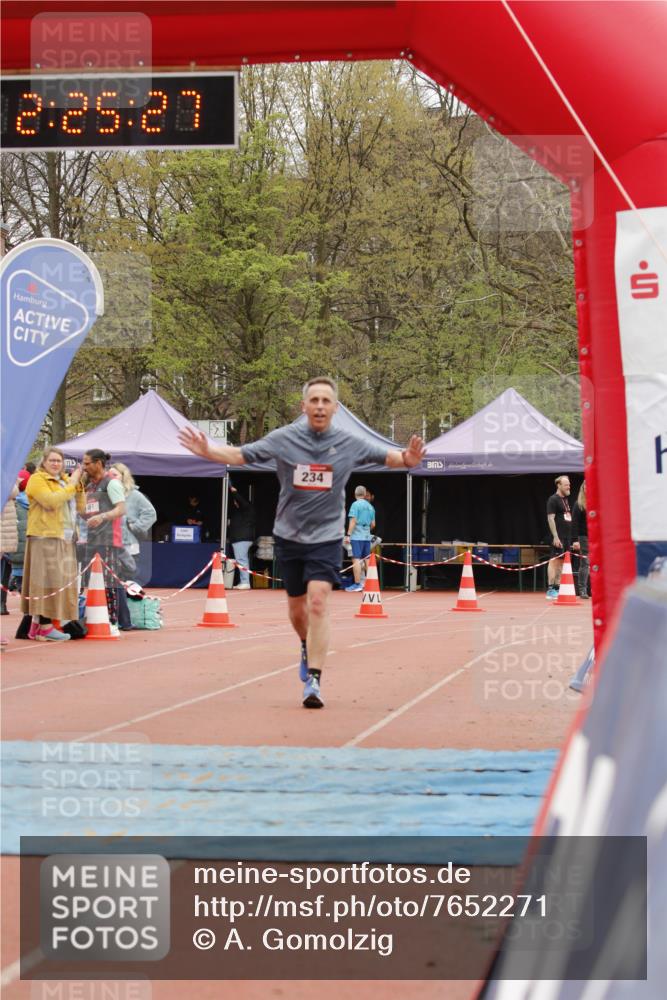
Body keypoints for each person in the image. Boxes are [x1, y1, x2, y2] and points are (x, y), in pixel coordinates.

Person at [178, 376, 425, 709]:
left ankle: (314, 679)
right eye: (315, 400)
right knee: (297, 609)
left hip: (326, 537)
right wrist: (207, 450)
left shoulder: (349, 443)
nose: (320, 406)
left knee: (319, 601)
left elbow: (391, 458)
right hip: (289, 535)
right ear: (304, 406)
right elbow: (240, 455)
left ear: (335, 408)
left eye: (326, 401)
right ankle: (306, 644)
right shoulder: (284, 439)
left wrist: (409, 458)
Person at [20, 449, 84, 640]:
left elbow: (81, 508)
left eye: (59, 461)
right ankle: (46, 627)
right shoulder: (37, 479)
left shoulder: (65, 481)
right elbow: (51, 502)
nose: (56, 464)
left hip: (65, 537)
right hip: (44, 535)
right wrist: (72, 485)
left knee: (56, 582)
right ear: (44, 462)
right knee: (46, 581)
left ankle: (37, 625)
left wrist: (78, 486)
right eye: (52, 460)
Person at [81, 450, 126, 635]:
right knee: (91, 580)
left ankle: (113, 621)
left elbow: (121, 509)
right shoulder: (90, 485)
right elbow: (85, 511)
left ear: (98, 463)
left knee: (108, 581)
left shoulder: (112, 483)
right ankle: (95, 617)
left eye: (87, 463)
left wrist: (102, 516)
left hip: (108, 539)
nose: (84, 467)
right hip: (91, 538)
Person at [111, 462, 157, 584]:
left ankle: (127, 603)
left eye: (114, 475)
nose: (111, 478)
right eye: (109, 475)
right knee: (110, 583)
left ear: (123, 476)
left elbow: (150, 513)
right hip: (109, 546)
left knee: (128, 582)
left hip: (129, 546)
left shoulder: (134, 495)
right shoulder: (106, 494)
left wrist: (135, 527)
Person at [546, 474, 573, 600]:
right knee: (554, 562)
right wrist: (555, 537)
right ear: (559, 485)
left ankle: (557, 588)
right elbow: (550, 519)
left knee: (562, 563)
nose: (569, 486)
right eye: (566, 484)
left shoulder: (566, 500)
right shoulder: (553, 499)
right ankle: (551, 589)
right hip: (558, 537)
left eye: (569, 484)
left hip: (567, 537)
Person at [344, 485, 375, 591]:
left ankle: (358, 584)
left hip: (356, 537)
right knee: (366, 559)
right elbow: (373, 524)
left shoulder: (355, 505)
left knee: (355, 559)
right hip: (367, 536)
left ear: (355, 494)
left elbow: (353, 521)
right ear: (365, 494)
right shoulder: (370, 506)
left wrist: (348, 534)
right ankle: (370, 584)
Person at [228, 484, 256, 590]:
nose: (235, 503)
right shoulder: (242, 511)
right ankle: (243, 581)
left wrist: (234, 492)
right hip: (240, 538)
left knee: (241, 560)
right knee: (241, 559)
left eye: (236, 502)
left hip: (242, 538)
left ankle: (245, 582)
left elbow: (241, 501)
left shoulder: (247, 508)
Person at [572, 481, 590, 599]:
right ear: (582, 488)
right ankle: (582, 589)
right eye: (585, 486)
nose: (587, 488)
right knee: (585, 563)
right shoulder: (578, 504)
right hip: (584, 537)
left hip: (597, 537)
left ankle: (595, 589)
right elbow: (574, 524)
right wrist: (575, 540)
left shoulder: (597, 502)